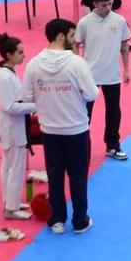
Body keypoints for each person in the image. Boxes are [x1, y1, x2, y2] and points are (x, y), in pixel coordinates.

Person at [23, 17, 99, 236]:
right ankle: (79, 221)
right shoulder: (76, 63)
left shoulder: (34, 64)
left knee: (55, 176)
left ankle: (56, 220)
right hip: (76, 129)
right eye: (72, 35)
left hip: (50, 130)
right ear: (61, 36)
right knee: (78, 176)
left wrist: (47, 98)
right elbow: (92, 93)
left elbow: (26, 96)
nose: (75, 41)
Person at [77, 0, 131, 163]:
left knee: (114, 111)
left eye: (109, 4)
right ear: (94, 4)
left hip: (112, 75)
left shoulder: (119, 20)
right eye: (104, 5)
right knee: (84, 114)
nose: (108, 8)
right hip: (89, 76)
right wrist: (75, 70)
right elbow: (76, 45)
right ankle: (81, 148)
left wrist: (127, 69)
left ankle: (112, 145)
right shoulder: (84, 23)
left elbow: (124, 46)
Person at [0, 33, 39, 224]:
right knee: (15, 168)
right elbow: (9, 106)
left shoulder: (9, 72)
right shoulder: (4, 77)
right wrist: (36, 106)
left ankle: (9, 201)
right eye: (20, 53)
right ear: (9, 55)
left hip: (12, 126)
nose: (24, 56)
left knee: (8, 166)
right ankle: (10, 208)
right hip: (12, 128)